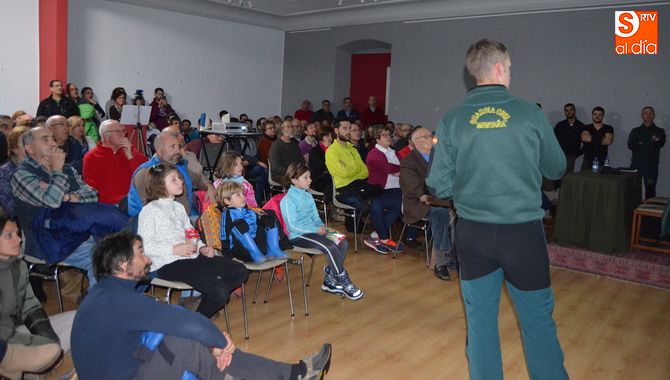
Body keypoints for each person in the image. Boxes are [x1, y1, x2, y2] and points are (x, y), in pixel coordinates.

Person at [427, 38, 568, 380]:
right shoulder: (529, 113)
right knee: (536, 321)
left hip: (473, 234)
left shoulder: (452, 119)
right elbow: (557, 169)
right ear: (500, 67)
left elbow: (438, 185)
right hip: (522, 235)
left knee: (480, 324)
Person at [71, 231, 332, 380]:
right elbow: (187, 322)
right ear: (123, 266)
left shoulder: (106, 294)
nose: (148, 258)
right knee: (187, 343)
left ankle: (295, 374)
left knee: (191, 340)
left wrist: (213, 343)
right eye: (140, 252)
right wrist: (219, 342)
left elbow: (175, 320)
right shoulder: (119, 300)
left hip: (129, 365)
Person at [137, 164, 247, 318]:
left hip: (191, 256)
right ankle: (196, 320)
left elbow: (191, 234)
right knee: (219, 292)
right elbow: (145, 247)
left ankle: (202, 303)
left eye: (179, 178)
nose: (180, 182)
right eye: (173, 179)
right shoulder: (149, 211)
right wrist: (175, 249)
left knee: (240, 271)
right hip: (168, 263)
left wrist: (202, 247)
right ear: (160, 185)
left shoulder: (178, 207)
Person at [11, 127, 99, 287]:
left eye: (52, 138)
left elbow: (93, 195)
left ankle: (108, 301)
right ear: (29, 148)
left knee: (121, 247)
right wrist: (57, 171)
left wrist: (68, 197)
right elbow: (52, 201)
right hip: (47, 241)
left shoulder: (67, 169)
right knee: (101, 258)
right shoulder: (22, 175)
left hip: (79, 231)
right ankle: (101, 308)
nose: (53, 143)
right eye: (45, 139)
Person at [0, 215, 74, 379]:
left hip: (18, 333)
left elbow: (31, 307)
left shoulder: (18, 266)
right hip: (6, 347)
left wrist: (49, 340)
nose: (19, 239)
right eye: (9, 235)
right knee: (45, 356)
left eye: (18, 233)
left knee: (80, 319)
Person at [281, 162, 363, 300]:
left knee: (342, 240)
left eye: (309, 177)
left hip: (315, 231)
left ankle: (329, 278)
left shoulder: (307, 195)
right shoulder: (287, 200)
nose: (310, 180)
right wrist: (315, 229)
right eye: (306, 177)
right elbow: (292, 226)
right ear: (294, 180)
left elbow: (315, 216)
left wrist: (322, 227)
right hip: (299, 236)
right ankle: (342, 279)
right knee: (330, 246)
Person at [400, 127, 456, 280]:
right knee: (441, 213)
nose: (432, 138)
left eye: (431, 135)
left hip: (440, 198)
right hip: (418, 202)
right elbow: (414, 189)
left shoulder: (438, 157)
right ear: (417, 142)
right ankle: (441, 262)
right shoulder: (409, 162)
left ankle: (455, 257)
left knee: (462, 211)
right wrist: (440, 201)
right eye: (427, 136)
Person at [128, 130, 216, 217]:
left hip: (184, 217)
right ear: (159, 151)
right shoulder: (146, 173)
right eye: (172, 147)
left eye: (179, 146)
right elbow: (149, 210)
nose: (178, 151)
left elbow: (198, 179)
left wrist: (209, 186)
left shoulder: (178, 165)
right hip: (155, 224)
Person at [218, 181, 289, 264]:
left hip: (259, 248)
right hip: (242, 251)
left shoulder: (250, 212)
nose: (243, 197)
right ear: (227, 201)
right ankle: (256, 254)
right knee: (240, 223)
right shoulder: (227, 215)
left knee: (267, 218)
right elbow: (224, 238)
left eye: (243, 194)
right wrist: (230, 257)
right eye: (238, 195)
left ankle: (273, 250)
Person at [83, 120, 148, 205]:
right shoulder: (91, 157)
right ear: (105, 135)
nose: (123, 134)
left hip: (135, 201)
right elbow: (93, 189)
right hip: (110, 205)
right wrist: (121, 200)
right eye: (118, 131)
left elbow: (144, 177)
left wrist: (130, 156)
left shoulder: (131, 151)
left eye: (123, 131)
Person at [364, 124, 405, 253]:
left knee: (400, 207)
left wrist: (399, 170)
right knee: (378, 206)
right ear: (377, 139)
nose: (389, 137)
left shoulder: (394, 152)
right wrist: (398, 170)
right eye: (384, 135)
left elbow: (405, 167)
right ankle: (385, 239)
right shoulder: (373, 154)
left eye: (389, 134)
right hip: (381, 189)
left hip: (398, 188)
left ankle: (376, 236)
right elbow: (389, 168)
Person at [627, 106, 666, 199]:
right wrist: (651, 142)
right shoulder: (635, 131)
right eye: (646, 113)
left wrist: (641, 143)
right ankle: (633, 212)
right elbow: (631, 145)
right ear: (642, 115)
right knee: (633, 189)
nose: (648, 115)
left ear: (654, 115)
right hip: (636, 164)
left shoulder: (660, 131)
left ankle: (648, 213)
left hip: (651, 166)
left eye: (650, 113)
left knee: (650, 189)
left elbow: (660, 144)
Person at [553, 103, 584, 186]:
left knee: (567, 176)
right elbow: (553, 140)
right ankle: (555, 194)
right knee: (555, 175)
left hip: (571, 155)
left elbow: (586, 144)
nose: (569, 112)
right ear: (564, 112)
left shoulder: (581, 126)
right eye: (566, 110)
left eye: (571, 110)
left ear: (574, 111)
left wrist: (577, 153)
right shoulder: (560, 125)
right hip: (559, 155)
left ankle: (565, 192)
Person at [0, 127, 29, 216]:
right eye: (25, 142)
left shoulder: (42, 166)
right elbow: (11, 207)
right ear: (15, 149)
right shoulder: (5, 172)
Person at [308, 126, 334, 202]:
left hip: (329, 177)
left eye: (331, 136)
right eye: (327, 136)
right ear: (321, 137)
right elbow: (322, 166)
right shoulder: (315, 151)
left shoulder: (333, 150)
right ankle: (328, 206)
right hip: (318, 179)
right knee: (331, 185)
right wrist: (328, 150)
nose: (329, 138)